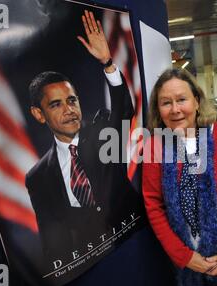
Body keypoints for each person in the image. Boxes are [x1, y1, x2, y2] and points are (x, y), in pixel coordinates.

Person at [25, 10, 142, 269]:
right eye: (56, 105)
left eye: (72, 100)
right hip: (93, 261)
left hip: (135, 239)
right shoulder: (37, 176)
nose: (68, 109)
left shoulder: (102, 133)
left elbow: (123, 110)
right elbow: (51, 237)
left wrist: (107, 63)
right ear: (39, 114)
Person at [142, 68, 217, 286]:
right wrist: (184, 256)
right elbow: (154, 206)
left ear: (196, 101)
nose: (175, 109)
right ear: (158, 109)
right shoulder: (155, 147)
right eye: (166, 103)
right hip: (179, 262)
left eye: (181, 99)